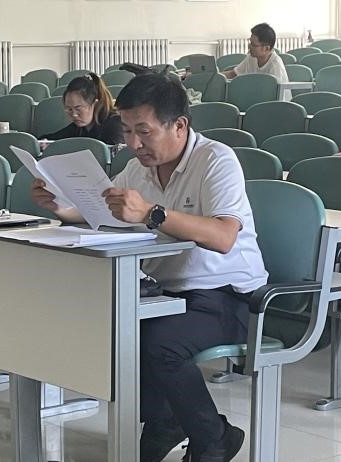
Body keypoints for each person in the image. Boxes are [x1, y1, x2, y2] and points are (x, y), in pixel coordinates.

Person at [32, 72, 268, 462]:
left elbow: (224, 235)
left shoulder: (216, 160)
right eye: (126, 131)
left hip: (229, 295)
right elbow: (102, 213)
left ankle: (214, 438)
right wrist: (60, 206)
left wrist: (151, 213)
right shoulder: (137, 168)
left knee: (159, 344)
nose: (134, 144)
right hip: (166, 292)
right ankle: (165, 421)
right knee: (113, 332)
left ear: (179, 126)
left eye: (144, 132)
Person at [40, 72, 124, 145]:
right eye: (69, 109)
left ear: (95, 104)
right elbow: (49, 139)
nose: (74, 114)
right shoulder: (78, 127)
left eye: (78, 108)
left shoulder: (115, 124)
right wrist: (46, 143)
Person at [222, 23, 289, 85]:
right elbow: (234, 74)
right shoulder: (252, 57)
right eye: (250, 42)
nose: (249, 46)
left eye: (253, 44)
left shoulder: (275, 66)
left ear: (266, 48)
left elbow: (272, 92)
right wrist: (217, 76)